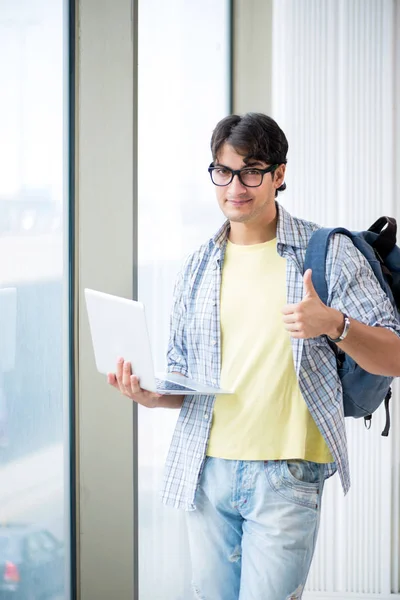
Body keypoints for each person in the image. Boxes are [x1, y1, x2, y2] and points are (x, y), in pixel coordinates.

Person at [107, 113, 400, 600]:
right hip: (206, 472)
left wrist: (334, 324)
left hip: (286, 474)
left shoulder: (327, 252)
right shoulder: (199, 264)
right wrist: (151, 395)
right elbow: (187, 380)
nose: (235, 186)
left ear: (279, 174)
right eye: (223, 171)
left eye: (252, 170)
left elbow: (394, 356)